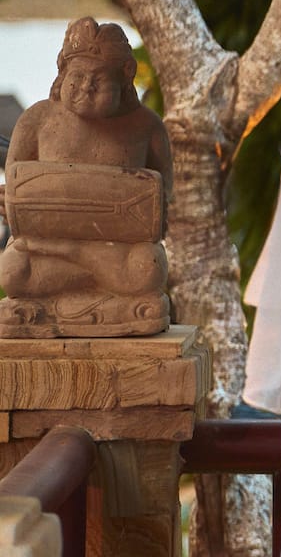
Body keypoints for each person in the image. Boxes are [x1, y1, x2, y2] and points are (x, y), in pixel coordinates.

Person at [0, 18, 172, 337]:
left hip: (115, 254)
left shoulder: (147, 128)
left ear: (125, 77)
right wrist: (9, 200)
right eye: (77, 77)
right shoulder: (36, 121)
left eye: (98, 80)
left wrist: (157, 210)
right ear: (62, 73)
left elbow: (162, 206)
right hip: (48, 253)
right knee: (13, 270)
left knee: (148, 267)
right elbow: (15, 186)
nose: (85, 89)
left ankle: (80, 265)